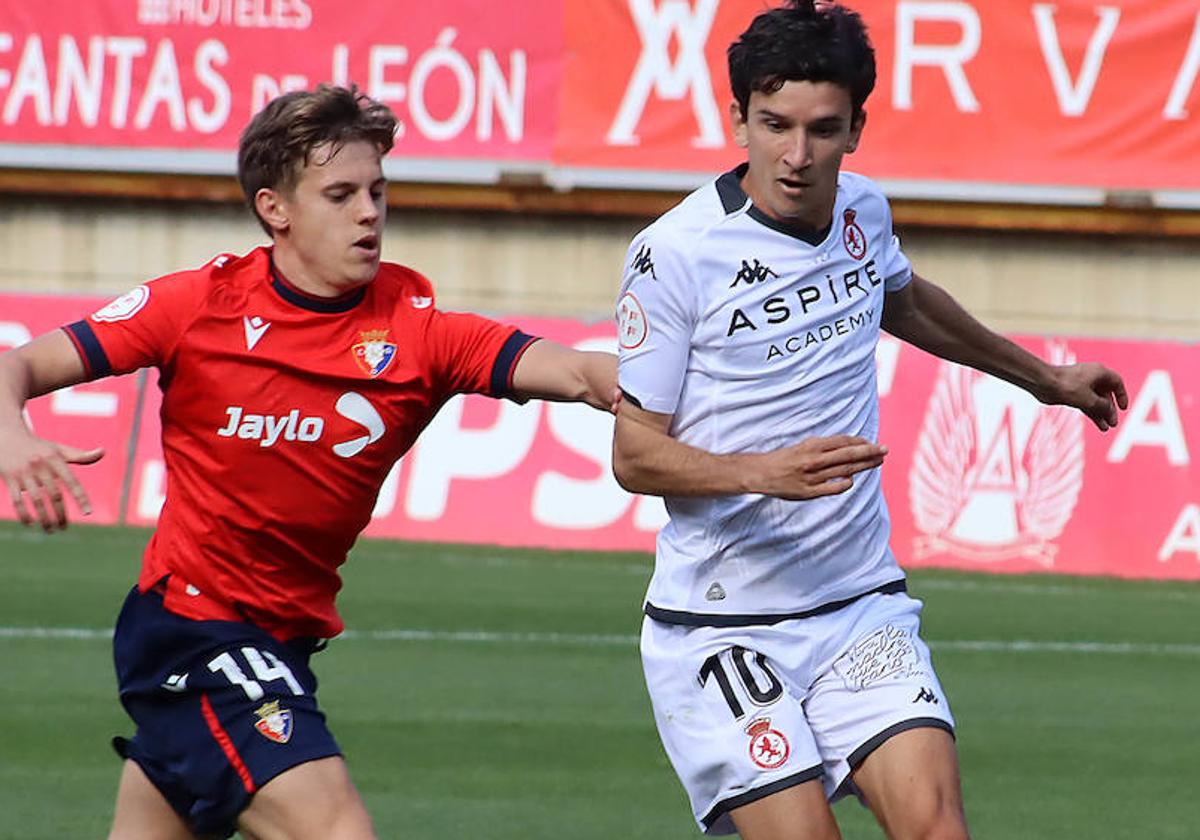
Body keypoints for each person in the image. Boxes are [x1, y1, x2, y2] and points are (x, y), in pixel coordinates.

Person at [0, 84, 616, 840]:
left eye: (378, 191)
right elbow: (14, 366)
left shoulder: (420, 335)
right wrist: (13, 437)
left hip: (279, 642)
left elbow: (584, 372)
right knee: (335, 830)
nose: (369, 212)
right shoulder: (197, 305)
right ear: (275, 208)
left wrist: (685, 382)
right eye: (341, 194)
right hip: (195, 627)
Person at [611, 3, 1128, 839]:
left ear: (856, 129)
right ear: (737, 117)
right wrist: (761, 472)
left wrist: (1047, 379)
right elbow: (634, 454)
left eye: (822, 129)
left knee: (938, 829)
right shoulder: (674, 255)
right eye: (774, 124)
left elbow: (904, 299)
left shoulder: (863, 213)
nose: (795, 153)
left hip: (858, 605)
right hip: (721, 629)